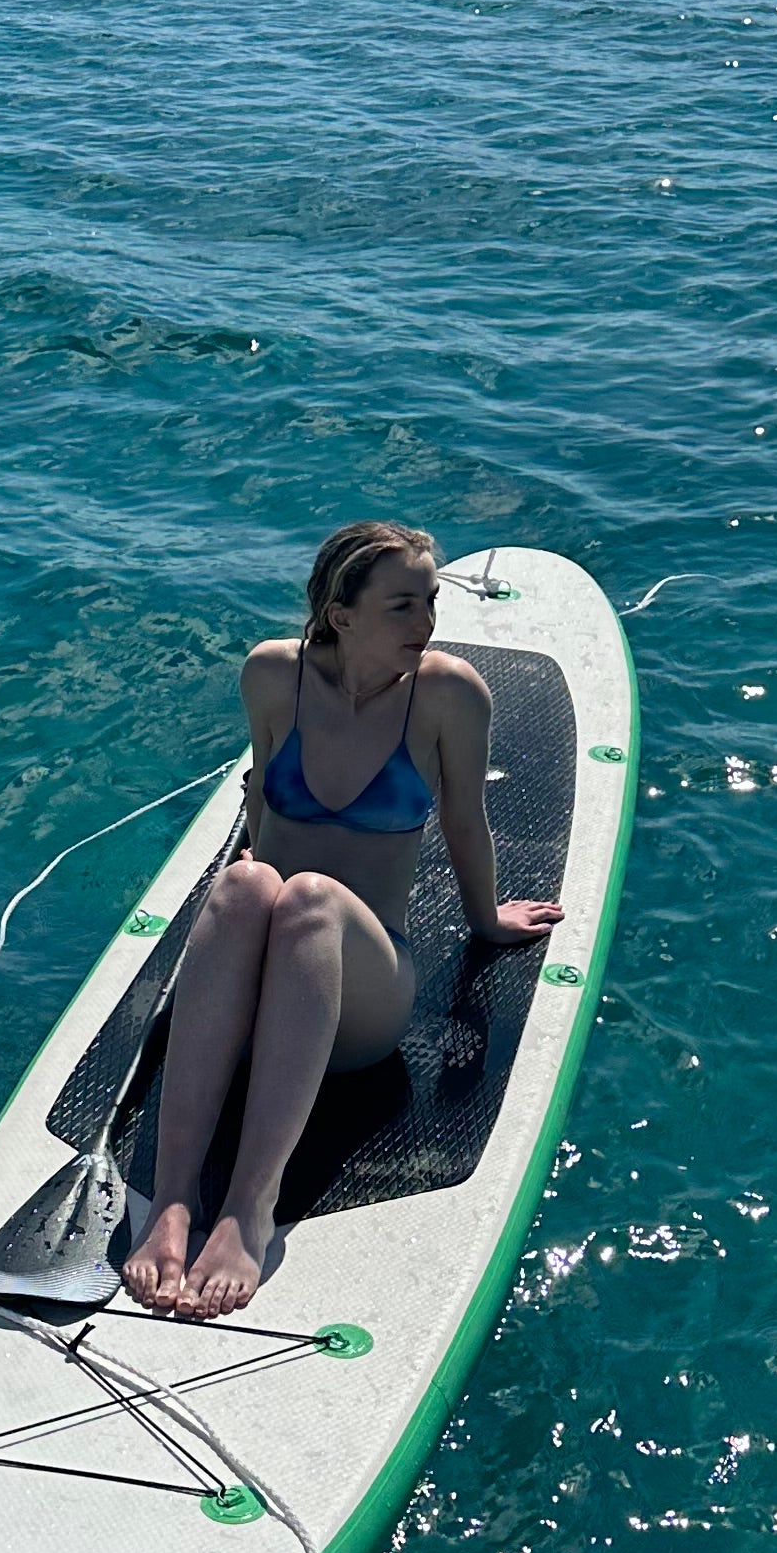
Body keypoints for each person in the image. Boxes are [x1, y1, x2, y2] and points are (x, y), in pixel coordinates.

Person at [125, 521, 564, 1318]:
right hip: (260, 998)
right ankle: (172, 1201)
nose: (426, 623)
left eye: (429, 602)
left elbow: (466, 820)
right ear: (341, 613)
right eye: (403, 606)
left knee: (310, 897)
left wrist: (486, 918)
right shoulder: (271, 676)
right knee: (246, 882)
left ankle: (250, 1211)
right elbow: (259, 801)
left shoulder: (448, 694)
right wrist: (240, 914)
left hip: (361, 1002)